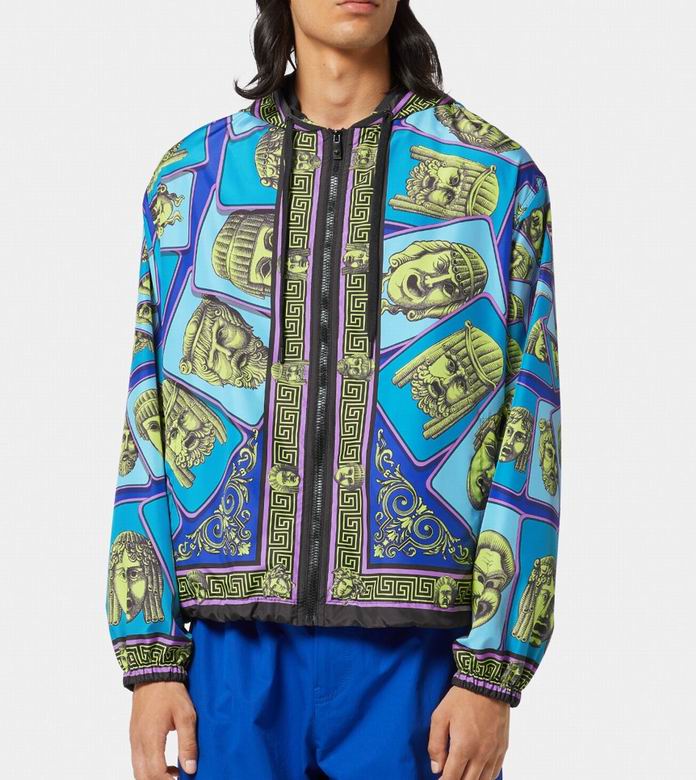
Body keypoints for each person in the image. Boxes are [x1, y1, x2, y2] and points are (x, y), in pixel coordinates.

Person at [105, 1, 561, 778]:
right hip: (231, 656)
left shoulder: (497, 177)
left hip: (420, 655)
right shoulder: (192, 177)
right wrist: (151, 658)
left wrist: (493, 671)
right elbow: (148, 414)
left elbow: (531, 417)